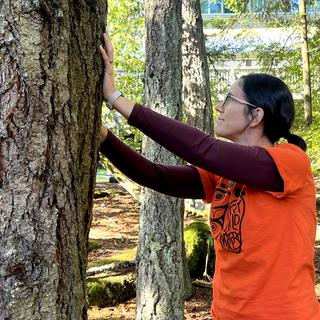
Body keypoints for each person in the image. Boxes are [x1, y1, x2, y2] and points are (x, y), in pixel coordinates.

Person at [98, 32, 320, 320]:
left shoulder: (290, 162)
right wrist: (104, 138)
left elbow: (205, 150)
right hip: (226, 314)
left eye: (228, 99)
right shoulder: (222, 174)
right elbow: (155, 176)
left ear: (255, 116)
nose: (219, 107)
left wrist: (116, 98)